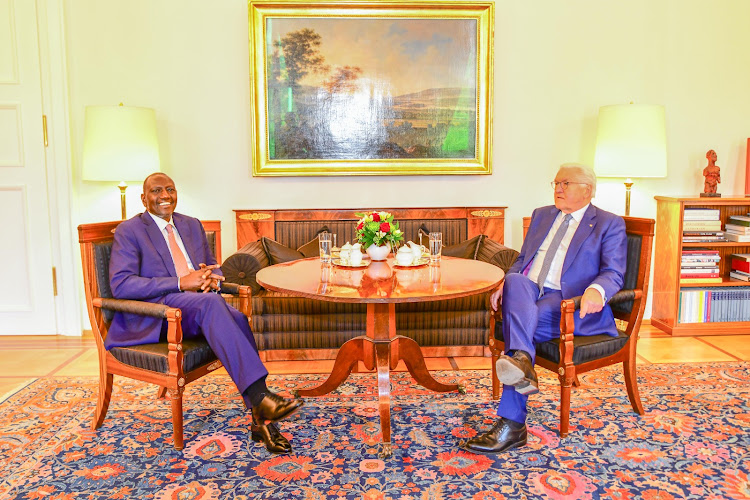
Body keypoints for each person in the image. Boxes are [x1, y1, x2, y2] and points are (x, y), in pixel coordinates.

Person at [108, 172, 303, 454]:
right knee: (214, 305)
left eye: (170, 189)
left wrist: (214, 278)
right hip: (160, 313)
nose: (165, 195)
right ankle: (262, 403)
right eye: (156, 191)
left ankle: (262, 417)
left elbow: (213, 266)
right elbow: (121, 284)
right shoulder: (131, 231)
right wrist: (180, 282)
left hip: (196, 307)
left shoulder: (191, 225)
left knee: (235, 317)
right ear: (143, 198)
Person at [461, 163, 626, 454]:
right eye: (556, 183)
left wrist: (596, 290)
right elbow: (523, 258)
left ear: (587, 190)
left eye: (565, 183)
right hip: (529, 291)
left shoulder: (608, 223)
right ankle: (523, 363)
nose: (558, 189)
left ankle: (512, 422)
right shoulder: (542, 215)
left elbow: (613, 272)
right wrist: (504, 285)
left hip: (566, 300)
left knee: (520, 328)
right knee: (514, 280)